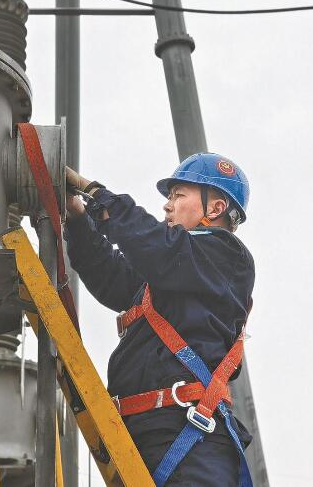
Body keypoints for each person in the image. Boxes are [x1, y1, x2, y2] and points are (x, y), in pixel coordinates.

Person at [64, 152, 255, 486]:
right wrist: (78, 217)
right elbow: (111, 276)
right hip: (143, 436)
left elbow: (156, 247)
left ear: (215, 209)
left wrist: (96, 193)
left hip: (189, 438)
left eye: (178, 196)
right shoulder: (170, 271)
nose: (167, 206)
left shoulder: (226, 257)